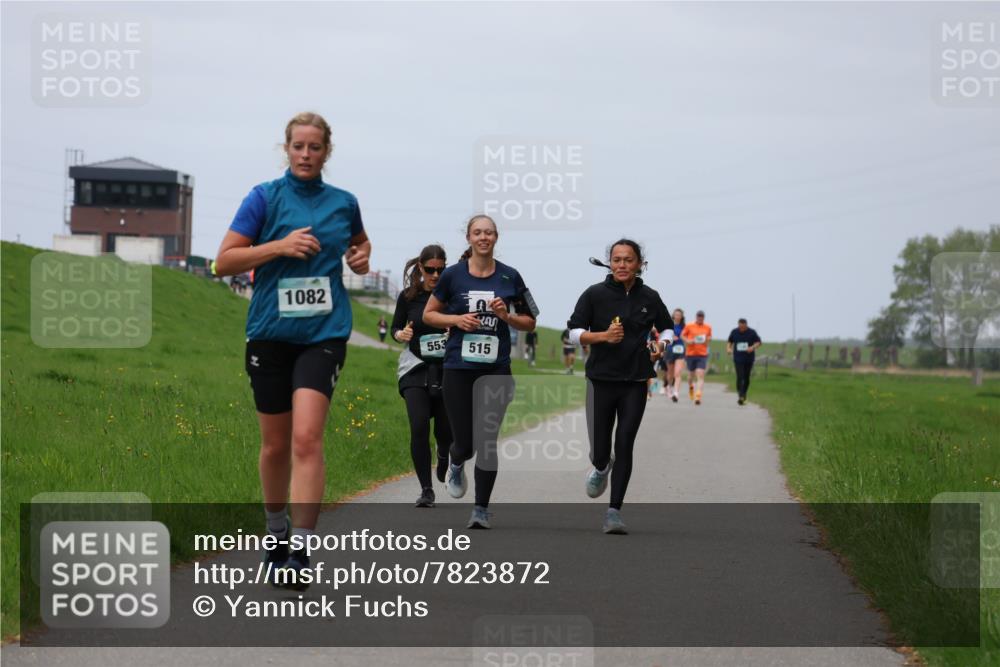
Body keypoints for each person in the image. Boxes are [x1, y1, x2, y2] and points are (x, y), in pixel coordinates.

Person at [214, 111, 371, 589]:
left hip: (323, 334)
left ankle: (300, 549)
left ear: (328, 152)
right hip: (269, 333)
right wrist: (278, 246)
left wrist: (361, 257)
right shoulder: (263, 198)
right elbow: (223, 261)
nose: (306, 155)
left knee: (306, 438)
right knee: (276, 445)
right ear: (286, 149)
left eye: (315, 147)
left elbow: (360, 247)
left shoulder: (344, 203)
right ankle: (276, 530)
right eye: (298, 146)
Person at [423, 214, 538, 529]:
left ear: (496, 237)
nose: (483, 237)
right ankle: (456, 460)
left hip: (496, 370)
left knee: (487, 440)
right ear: (469, 238)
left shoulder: (511, 277)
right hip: (458, 367)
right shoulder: (451, 276)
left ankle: (481, 509)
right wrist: (457, 321)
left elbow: (531, 321)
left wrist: (508, 316)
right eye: (477, 232)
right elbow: (429, 314)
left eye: (489, 232)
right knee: (466, 442)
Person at [567, 239, 670, 534]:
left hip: (636, 380)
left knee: (625, 441)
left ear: (639, 264)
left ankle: (614, 512)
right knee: (601, 449)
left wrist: (661, 344)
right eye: (617, 260)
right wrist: (601, 337)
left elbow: (667, 328)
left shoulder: (650, 296)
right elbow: (573, 332)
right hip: (601, 379)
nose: (622, 265)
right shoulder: (594, 294)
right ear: (609, 263)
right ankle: (601, 466)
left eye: (628, 260)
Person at [391, 245, 453, 507]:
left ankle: (443, 453)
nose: (436, 275)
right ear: (420, 268)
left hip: (446, 369)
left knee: (444, 431)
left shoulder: (452, 296)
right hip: (415, 367)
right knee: (418, 426)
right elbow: (395, 326)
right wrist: (400, 335)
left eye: (440, 270)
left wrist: (455, 332)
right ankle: (426, 490)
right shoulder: (408, 297)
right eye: (430, 270)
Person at [727, 318, 762, 405]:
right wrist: (728, 348)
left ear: (746, 325)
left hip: (748, 359)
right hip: (738, 358)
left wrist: (752, 347)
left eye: (743, 327)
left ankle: (744, 393)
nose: (741, 329)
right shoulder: (734, 332)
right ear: (738, 325)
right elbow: (730, 341)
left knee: (746, 377)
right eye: (740, 327)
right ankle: (741, 395)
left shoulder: (752, 332)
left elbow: (759, 342)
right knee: (740, 376)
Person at [681, 310, 712, 405]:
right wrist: (688, 341)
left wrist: (707, 339)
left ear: (703, 317)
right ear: (696, 317)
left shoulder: (708, 327)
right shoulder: (689, 326)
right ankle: (691, 388)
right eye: (698, 316)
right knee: (691, 376)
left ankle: (698, 395)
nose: (700, 318)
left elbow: (709, 337)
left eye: (701, 316)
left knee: (700, 373)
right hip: (690, 354)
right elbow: (682, 335)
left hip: (702, 354)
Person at [664, 308, 687, 403]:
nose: (677, 316)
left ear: (681, 317)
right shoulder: (668, 324)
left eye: (679, 315)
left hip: (680, 351)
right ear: (673, 315)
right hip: (669, 350)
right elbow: (662, 335)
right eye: (676, 314)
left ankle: (676, 393)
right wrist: (670, 337)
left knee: (677, 373)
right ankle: (669, 387)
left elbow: (687, 337)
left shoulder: (684, 326)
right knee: (670, 373)